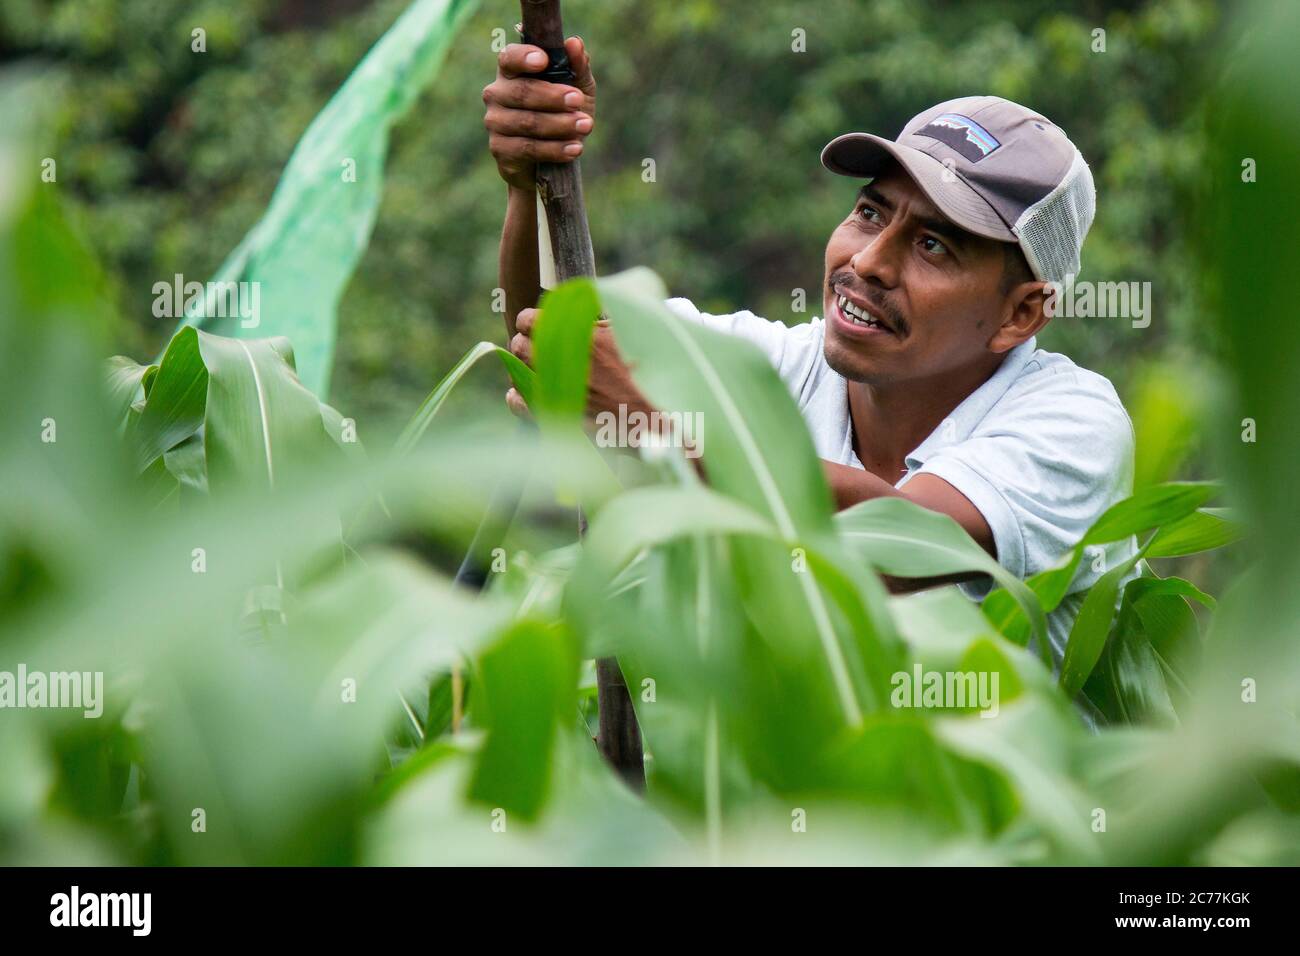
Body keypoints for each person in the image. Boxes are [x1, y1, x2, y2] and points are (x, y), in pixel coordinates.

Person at [482, 37, 1137, 671]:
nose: (869, 261)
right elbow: (556, 336)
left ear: (1020, 314)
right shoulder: (772, 367)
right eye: (871, 214)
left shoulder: (1075, 423)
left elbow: (897, 543)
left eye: (934, 246)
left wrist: (658, 429)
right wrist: (534, 178)